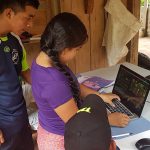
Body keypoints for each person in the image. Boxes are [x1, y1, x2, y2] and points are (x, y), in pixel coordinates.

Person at [31, 12, 129, 149]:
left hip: (56, 130)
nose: (77, 54)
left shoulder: (45, 60)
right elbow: (79, 126)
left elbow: (73, 85)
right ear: (64, 49)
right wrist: (109, 120)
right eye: (77, 49)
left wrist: (99, 96)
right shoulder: (54, 83)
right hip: (62, 139)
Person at [0, 0, 39, 149]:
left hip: (19, 116)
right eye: (27, 17)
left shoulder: (14, 41)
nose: (30, 24)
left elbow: (25, 72)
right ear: (9, 13)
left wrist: (48, 87)